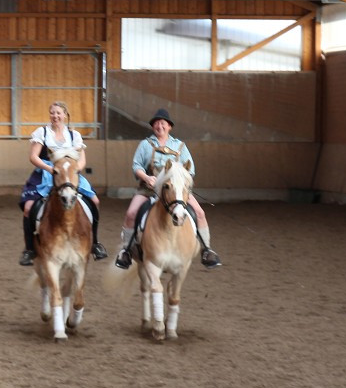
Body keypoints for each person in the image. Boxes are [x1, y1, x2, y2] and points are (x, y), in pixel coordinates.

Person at [113, 108, 222, 270]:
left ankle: (207, 250)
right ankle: (126, 251)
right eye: (156, 123)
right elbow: (136, 166)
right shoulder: (145, 144)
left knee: (199, 213)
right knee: (131, 214)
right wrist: (147, 178)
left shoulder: (179, 146)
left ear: (169, 126)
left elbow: (190, 170)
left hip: (175, 191)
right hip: (149, 189)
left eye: (163, 123)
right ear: (153, 127)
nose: (160, 126)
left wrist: (181, 181)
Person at [19, 101, 108, 266]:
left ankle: (95, 243)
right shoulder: (42, 132)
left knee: (95, 201)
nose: (55, 116)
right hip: (47, 173)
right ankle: (29, 249)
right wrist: (50, 168)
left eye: (58, 113)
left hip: (70, 174)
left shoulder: (74, 135)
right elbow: (34, 157)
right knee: (29, 207)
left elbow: (81, 159)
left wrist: (74, 171)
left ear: (65, 115)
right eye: (52, 113)